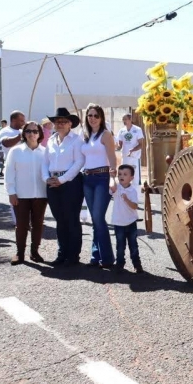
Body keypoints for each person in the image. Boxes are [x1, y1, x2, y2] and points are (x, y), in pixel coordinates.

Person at [42, 108, 85, 266]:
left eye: (64, 121)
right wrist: (46, 178)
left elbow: (79, 162)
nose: (60, 124)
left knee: (71, 219)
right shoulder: (52, 140)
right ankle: (62, 253)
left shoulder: (76, 140)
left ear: (70, 124)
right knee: (59, 220)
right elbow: (45, 162)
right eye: (57, 121)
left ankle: (73, 256)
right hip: (53, 182)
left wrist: (63, 179)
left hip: (71, 183)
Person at [4, 121, 47, 265]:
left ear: (40, 134)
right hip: (21, 195)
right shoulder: (15, 151)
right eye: (28, 131)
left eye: (35, 131)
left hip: (41, 195)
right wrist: (11, 192)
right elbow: (9, 172)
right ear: (24, 133)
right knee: (21, 225)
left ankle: (34, 252)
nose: (32, 134)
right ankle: (19, 253)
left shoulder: (45, 152)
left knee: (38, 224)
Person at [81, 103, 118, 268]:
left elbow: (112, 158)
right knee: (95, 219)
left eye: (96, 115)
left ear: (101, 118)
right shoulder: (86, 136)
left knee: (98, 217)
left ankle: (108, 258)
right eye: (90, 115)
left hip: (102, 178)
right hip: (87, 179)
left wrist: (112, 178)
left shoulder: (105, 135)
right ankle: (96, 256)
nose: (93, 118)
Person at [109, 164, 143, 273]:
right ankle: (120, 264)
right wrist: (112, 177)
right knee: (120, 246)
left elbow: (135, 206)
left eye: (125, 174)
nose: (121, 176)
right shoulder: (117, 188)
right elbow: (112, 187)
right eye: (120, 174)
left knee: (133, 245)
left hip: (131, 222)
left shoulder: (132, 191)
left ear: (131, 178)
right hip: (118, 223)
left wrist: (127, 200)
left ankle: (137, 264)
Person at [115, 114, 144, 185]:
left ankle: (136, 194)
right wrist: (115, 147)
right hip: (125, 158)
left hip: (135, 158)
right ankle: (123, 194)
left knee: (135, 179)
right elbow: (120, 145)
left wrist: (133, 150)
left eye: (125, 119)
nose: (124, 121)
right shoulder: (121, 131)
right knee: (123, 178)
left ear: (130, 119)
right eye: (123, 120)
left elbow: (141, 145)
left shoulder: (137, 130)